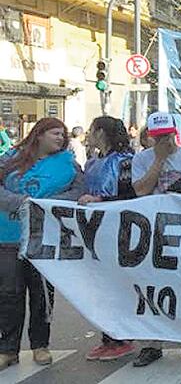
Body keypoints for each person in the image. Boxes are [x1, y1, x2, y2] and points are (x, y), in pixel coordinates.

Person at [0, 118, 83, 370]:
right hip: (9, 236)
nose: (61, 138)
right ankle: (7, 349)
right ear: (39, 135)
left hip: (45, 239)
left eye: (64, 134)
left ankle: (40, 345)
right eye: (56, 133)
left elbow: (79, 191)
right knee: (9, 294)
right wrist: (19, 201)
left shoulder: (69, 163)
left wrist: (48, 204)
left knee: (42, 295)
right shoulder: (9, 159)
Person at [131, 112, 181, 368]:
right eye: (157, 137)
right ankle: (152, 344)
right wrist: (159, 160)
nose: (162, 141)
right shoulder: (142, 159)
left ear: (175, 133)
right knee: (151, 287)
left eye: (166, 136)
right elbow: (141, 189)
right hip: (153, 231)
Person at [78, 116, 137, 361]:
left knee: (118, 285)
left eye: (91, 130)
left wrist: (101, 201)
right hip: (94, 231)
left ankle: (122, 337)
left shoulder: (125, 162)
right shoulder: (93, 162)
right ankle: (108, 336)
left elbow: (129, 195)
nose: (88, 135)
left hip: (119, 230)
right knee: (100, 286)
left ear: (101, 132)